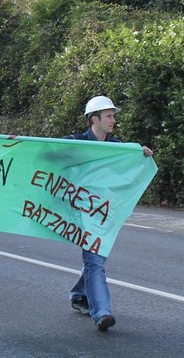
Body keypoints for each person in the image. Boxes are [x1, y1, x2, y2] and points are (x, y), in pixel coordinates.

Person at [65, 95, 153, 332]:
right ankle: (102, 312)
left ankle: (78, 294)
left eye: (114, 116)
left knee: (98, 257)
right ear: (94, 119)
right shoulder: (74, 143)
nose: (113, 120)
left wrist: (140, 153)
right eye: (109, 116)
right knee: (94, 260)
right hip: (78, 213)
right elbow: (48, 154)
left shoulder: (118, 148)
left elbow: (130, 160)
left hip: (102, 214)